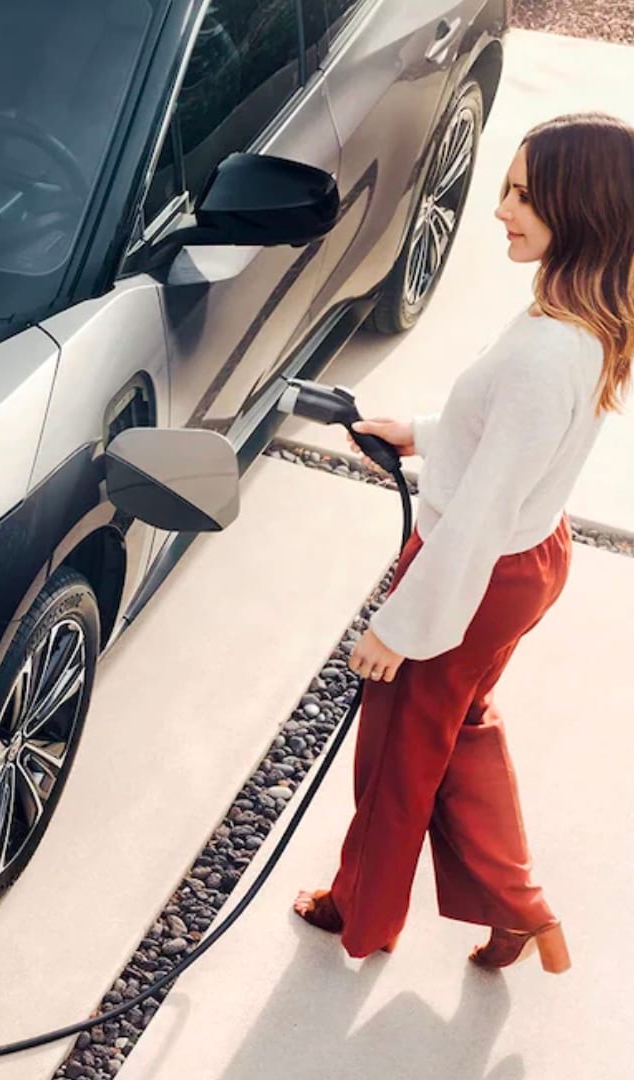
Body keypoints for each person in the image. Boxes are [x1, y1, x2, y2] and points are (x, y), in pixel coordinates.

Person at [293, 111, 634, 971]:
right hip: (529, 555)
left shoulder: (544, 350)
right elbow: (512, 443)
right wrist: (421, 431)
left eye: (523, 194)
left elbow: (477, 514)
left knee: (400, 750)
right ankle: (517, 902)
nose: (500, 209)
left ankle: (358, 916)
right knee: (459, 728)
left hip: (481, 566)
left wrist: (398, 628)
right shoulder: (587, 319)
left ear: (580, 205)